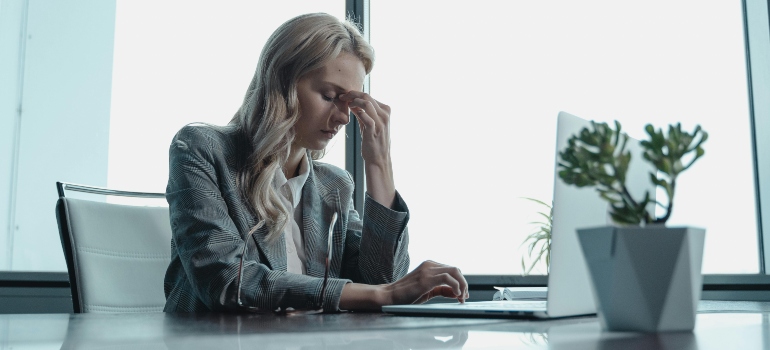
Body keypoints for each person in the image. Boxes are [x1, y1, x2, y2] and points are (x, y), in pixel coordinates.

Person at [163, 13, 468, 313]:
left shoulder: (334, 185)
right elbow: (226, 281)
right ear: (281, 84)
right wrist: (381, 294)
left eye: (350, 102)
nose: (344, 117)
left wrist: (379, 165)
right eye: (329, 95)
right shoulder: (201, 149)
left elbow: (381, 282)